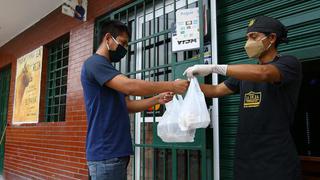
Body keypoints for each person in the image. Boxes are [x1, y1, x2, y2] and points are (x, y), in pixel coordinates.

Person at [184, 16, 302, 180]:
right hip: (245, 157)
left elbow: (265, 73)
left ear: (272, 38)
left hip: (276, 158)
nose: (248, 43)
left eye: (253, 37)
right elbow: (216, 90)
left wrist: (214, 68)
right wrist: (182, 86)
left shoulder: (289, 63)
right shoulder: (244, 74)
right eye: (247, 38)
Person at [81, 20, 189, 180]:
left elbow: (128, 105)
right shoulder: (94, 63)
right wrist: (172, 85)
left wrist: (157, 99)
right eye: (122, 43)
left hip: (116, 153)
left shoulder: (109, 71)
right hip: (106, 154)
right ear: (108, 38)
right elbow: (130, 86)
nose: (124, 49)